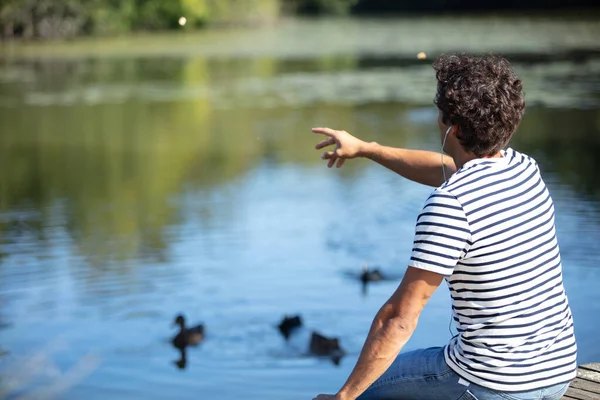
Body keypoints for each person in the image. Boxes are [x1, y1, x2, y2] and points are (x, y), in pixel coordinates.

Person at [311, 54, 577, 400]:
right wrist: (367, 149)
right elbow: (445, 168)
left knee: (369, 388)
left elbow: (399, 320)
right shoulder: (524, 169)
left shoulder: (451, 205)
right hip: (557, 372)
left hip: (493, 385)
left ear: (453, 127)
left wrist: (343, 397)